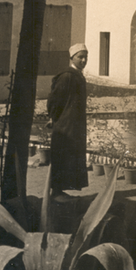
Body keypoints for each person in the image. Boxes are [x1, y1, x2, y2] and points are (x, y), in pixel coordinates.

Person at [47, 43, 89, 198]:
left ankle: (60, 190)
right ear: (72, 58)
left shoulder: (77, 75)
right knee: (62, 155)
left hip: (74, 123)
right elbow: (55, 99)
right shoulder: (67, 76)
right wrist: (54, 117)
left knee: (70, 155)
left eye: (85, 57)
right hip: (65, 124)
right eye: (80, 57)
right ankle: (56, 191)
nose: (83, 60)